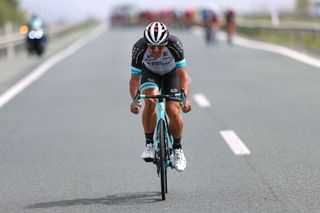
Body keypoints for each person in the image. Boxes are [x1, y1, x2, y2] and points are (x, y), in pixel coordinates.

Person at [129, 22, 192, 172]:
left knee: (173, 110)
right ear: (146, 44)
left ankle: (177, 149)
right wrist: (135, 101)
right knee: (150, 100)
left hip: (172, 75)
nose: (156, 50)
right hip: (151, 75)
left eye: (160, 46)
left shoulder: (175, 44)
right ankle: (149, 144)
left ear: (166, 42)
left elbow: (183, 75)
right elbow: (134, 80)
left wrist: (184, 98)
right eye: (151, 47)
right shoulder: (139, 48)